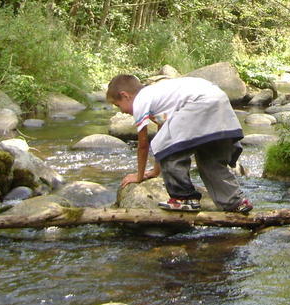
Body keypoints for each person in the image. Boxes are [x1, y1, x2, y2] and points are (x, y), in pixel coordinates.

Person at [106, 73, 252, 213]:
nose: (122, 112)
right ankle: (236, 203)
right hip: (219, 101)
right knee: (210, 160)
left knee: (169, 147)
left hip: (199, 103)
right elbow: (164, 137)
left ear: (125, 95)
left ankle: (184, 198)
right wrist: (155, 172)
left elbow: (143, 144)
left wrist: (139, 176)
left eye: (118, 105)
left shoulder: (140, 100)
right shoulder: (160, 96)